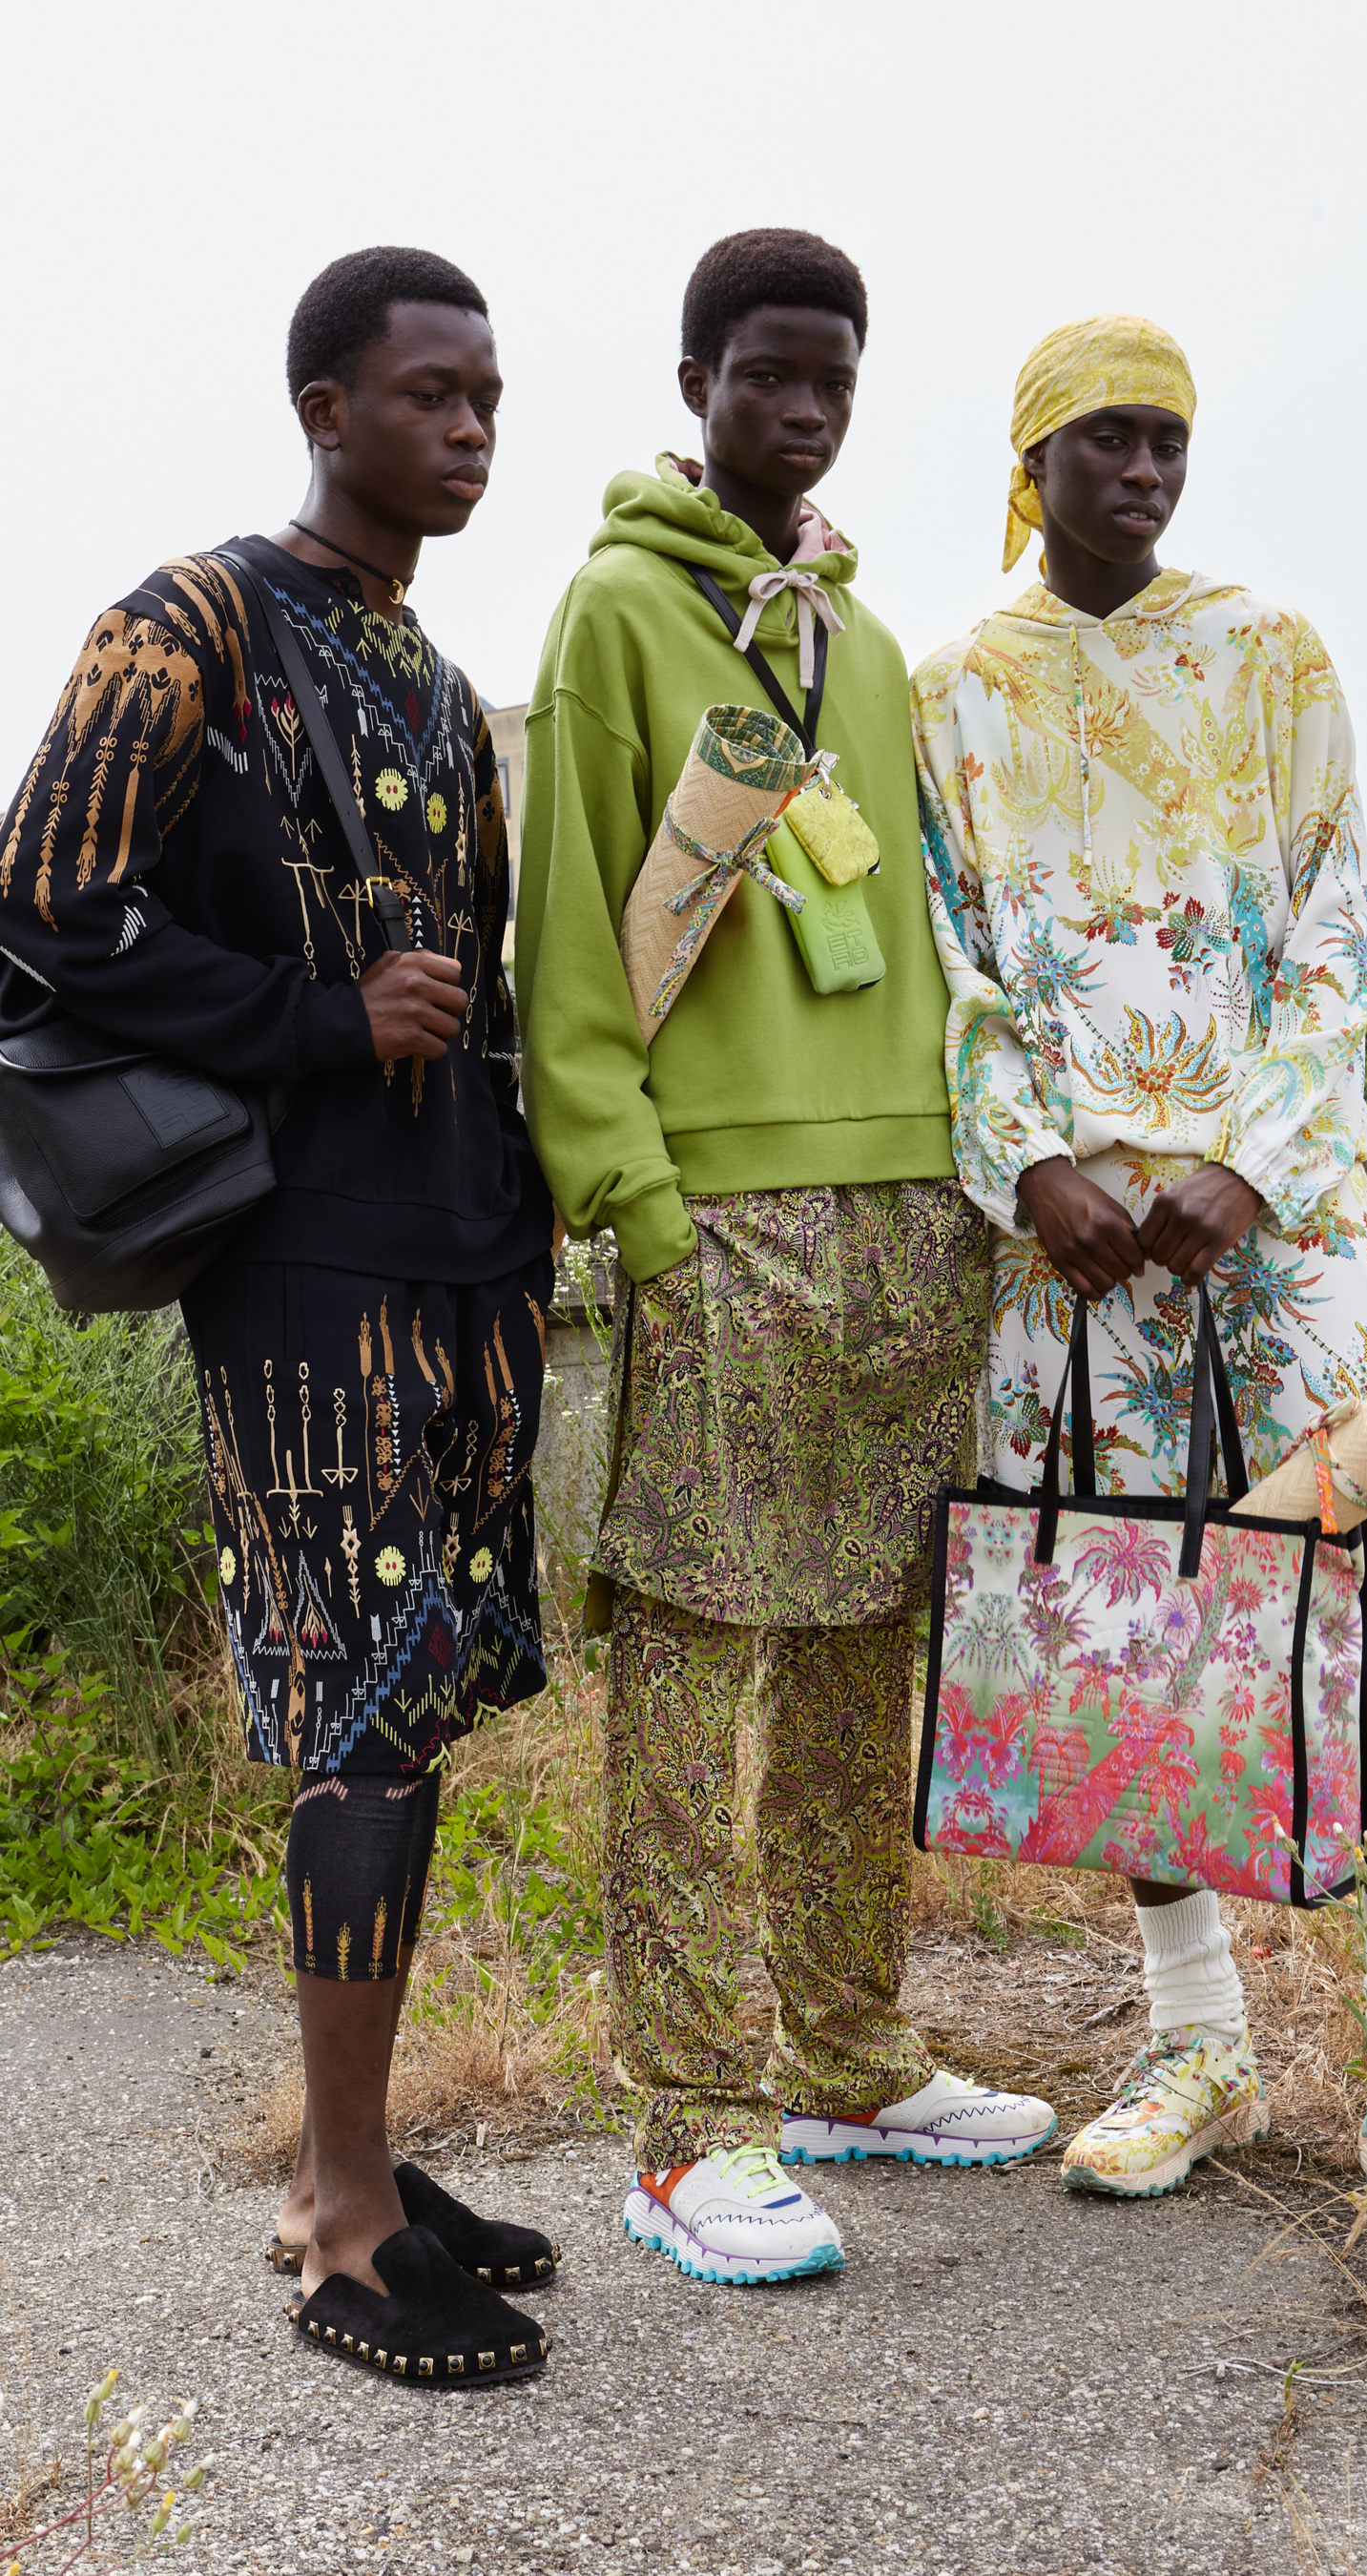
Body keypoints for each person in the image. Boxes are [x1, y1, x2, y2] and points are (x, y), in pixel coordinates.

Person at [910, 313, 1367, 2225]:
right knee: (1135, 1611)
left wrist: (1248, 1159)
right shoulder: (949, 693)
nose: (1144, 472)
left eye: (1170, 444)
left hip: (1281, 1221)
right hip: (1076, 1250)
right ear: (1029, 463)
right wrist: (1032, 1164)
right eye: (1107, 441)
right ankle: (1194, 2040)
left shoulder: (1276, 659)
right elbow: (955, 960)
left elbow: (1334, 935)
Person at [0, 247, 561, 2382]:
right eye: (432, 394)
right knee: (357, 1704)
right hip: (295, 1261)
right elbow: (40, 902)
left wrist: (518, 1246)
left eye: (493, 397)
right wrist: (314, 1018)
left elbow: (484, 1002)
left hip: (454, 1259)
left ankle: (370, 2152)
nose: (473, 430)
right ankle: (334, 2225)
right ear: (324, 405)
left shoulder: (430, 680)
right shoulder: (189, 625)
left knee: (421, 1699)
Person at [515, 227, 1056, 2285]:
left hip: (904, 1212)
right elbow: (571, 936)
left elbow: (910, 933)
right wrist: (638, 1208)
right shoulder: (615, 616)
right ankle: (687, 2130)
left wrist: (957, 1187)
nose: (802, 405)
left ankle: (846, 2051)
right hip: (717, 1214)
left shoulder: (869, 640)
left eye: (831, 374)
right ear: (694, 380)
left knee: (857, 1658)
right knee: (693, 1658)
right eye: (764, 370)